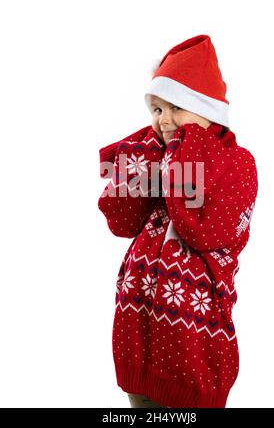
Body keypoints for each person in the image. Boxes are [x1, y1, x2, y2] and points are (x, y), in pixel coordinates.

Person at [97, 34, 258, 408]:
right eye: (156, 110)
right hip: (136, 336)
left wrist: (182, 149)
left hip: (192, 346)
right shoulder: (166, 160)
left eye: (176, 107)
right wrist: (144, 157)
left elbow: (200, 228)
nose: (163, 121)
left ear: (208, 110)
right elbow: (120, 220)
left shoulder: (236, 163)